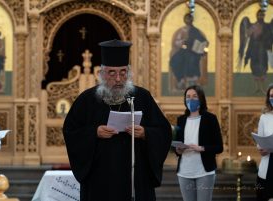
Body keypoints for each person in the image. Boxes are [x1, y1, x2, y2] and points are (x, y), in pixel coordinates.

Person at [63, 39, 172, 201]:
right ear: (102, 74)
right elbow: (71, 132)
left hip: (135, 177)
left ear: (128, 73)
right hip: (100, 180)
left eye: (123, 72)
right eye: (112, 73)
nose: (118, 79)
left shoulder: (142, 97)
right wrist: (94, 132)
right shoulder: (87, 100)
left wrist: (145, 133)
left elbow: (164, 131)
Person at [174, 85, 223, 201]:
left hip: (204, 171)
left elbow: (219, 147)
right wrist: (178, 150)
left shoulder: (210, 119)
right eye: (188, 97)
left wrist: (201, 148)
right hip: (184, 171)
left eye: (194, 97)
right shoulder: (181, 120)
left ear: (201, 99)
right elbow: (177, 145)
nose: (191, 100)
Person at [169, 13, 208, 91]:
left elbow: (203, 41)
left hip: (194, 52)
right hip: (184, 50)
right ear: (184, 20)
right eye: (186, 19)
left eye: (189, 19)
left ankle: (192, 82)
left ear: (192, 20)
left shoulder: (195, 31)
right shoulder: (182, 30)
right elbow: (176, 42)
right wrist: (183, 41)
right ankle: (181, 79)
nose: (188, 20)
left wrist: (199, 47)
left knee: (191, 60)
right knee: (174, 60)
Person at [238, 10, 273, 94]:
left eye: (262, 15)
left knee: (263, 67)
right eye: (259, 15)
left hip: (263, 50)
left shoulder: (267, 26)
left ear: (264, 16)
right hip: (253, 50)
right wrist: (252, 30)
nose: (260, 17)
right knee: (254, 67)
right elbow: (248, 34)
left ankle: (263, 88)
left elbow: (270, 37)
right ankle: (257, 87)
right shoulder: (253, 26)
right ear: (257, 16)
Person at [255, 83, 273, 201]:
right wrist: (260, 148)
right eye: (271, 96)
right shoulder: (264, 117)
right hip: (266, 167)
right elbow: (260, 140)